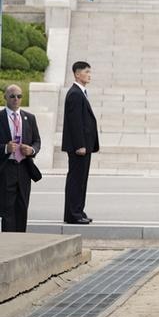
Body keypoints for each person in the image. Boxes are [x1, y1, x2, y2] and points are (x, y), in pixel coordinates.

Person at [1, 85, 42, 232]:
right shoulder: (0, 118)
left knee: (22, 207)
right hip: (6, 168)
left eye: (19, 96)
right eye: (12, 96)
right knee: (7, 209)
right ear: (5, 97)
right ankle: (8, 243)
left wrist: (31, 150)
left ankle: (21, 241)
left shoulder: (29, 118)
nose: (16, 99)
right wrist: (5, 148)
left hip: (24, 168)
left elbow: (37, 141)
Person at [62, 61, 99, 225]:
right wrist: (80, 145)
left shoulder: (80, 92)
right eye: (86, 72)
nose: (89, 75)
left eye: (90, 71)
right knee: (76, 179)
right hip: (79, 147)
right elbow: (75, 122)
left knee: (81, 179)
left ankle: (78, 210)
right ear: (77, 74)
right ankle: (73, 214)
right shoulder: (75, 94)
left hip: (85, 145)